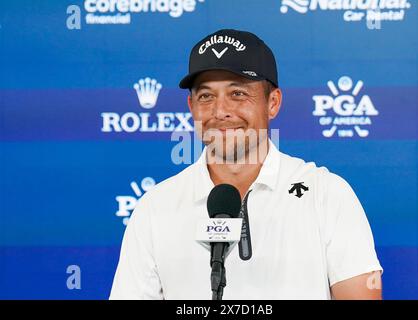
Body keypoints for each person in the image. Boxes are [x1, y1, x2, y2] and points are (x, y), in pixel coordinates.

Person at [109, 29, 383, 300]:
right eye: (206, 96)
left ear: (273, 103)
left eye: (238, 94)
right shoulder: (155, 208)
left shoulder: (326, 195)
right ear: (191, 107)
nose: (220, 111)